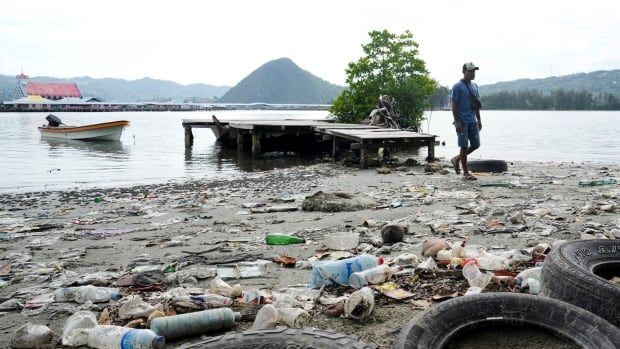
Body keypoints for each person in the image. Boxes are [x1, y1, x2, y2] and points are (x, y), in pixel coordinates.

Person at [450, 62, 482, 180]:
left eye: (474, 71)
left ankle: (457, 159)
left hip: (472, 120)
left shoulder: (475, 86)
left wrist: (479, 120)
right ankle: (466, 173)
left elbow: (476, 105)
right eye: (470, 71)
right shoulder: (457, 86)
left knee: (476, 144)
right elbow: (454, 106)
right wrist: (457, 122)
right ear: (464, 72)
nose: (472, 73)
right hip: (462, 120)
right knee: (464, 146)